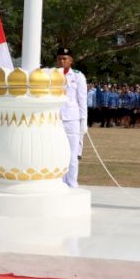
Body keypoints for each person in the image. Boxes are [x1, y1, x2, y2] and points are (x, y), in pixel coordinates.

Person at [57, 46, 87, 188]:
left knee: (73, 154)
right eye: (59, 58)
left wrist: (84, 121)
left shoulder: (78, 76)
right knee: (58, 153)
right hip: (56, 119)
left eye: (65, 58)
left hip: (72, 119)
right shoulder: (52, 74)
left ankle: (72, 182)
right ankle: (60, 181)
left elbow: (82, 100)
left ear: (71, 60)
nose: (62, 61)